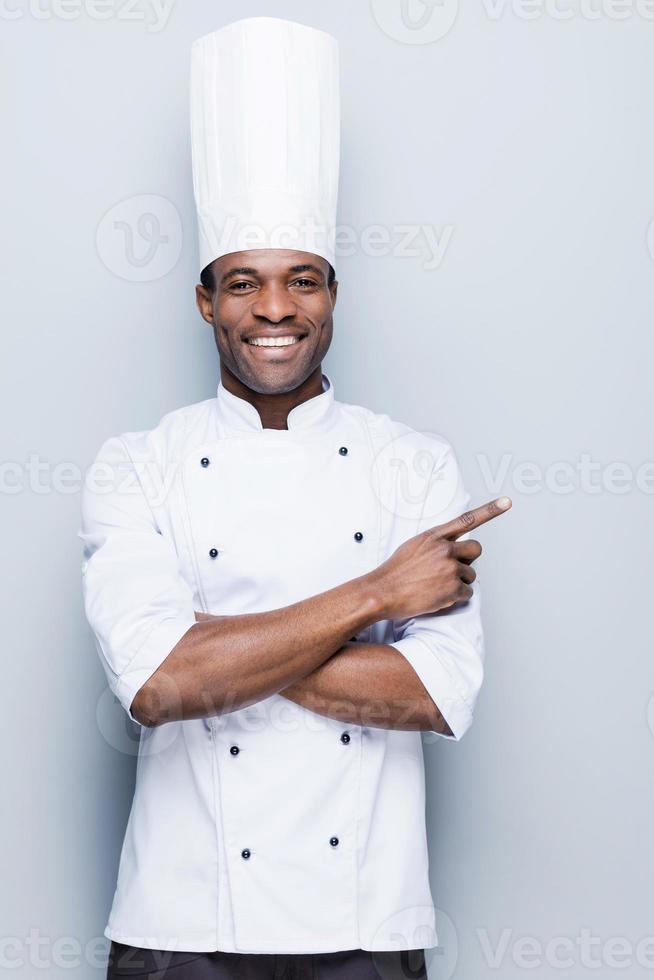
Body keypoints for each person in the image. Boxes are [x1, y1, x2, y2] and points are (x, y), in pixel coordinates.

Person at [79, 16, 511, 980]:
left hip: (366, 923)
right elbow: (158, 688)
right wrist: (375, 596)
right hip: (180, 925)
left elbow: (439, 693)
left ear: (332, 292)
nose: (275, 309)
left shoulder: (414, 464)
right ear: (205, 300)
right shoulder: (136, 464)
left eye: (301, 280)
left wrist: (211, 644)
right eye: (244, 283)